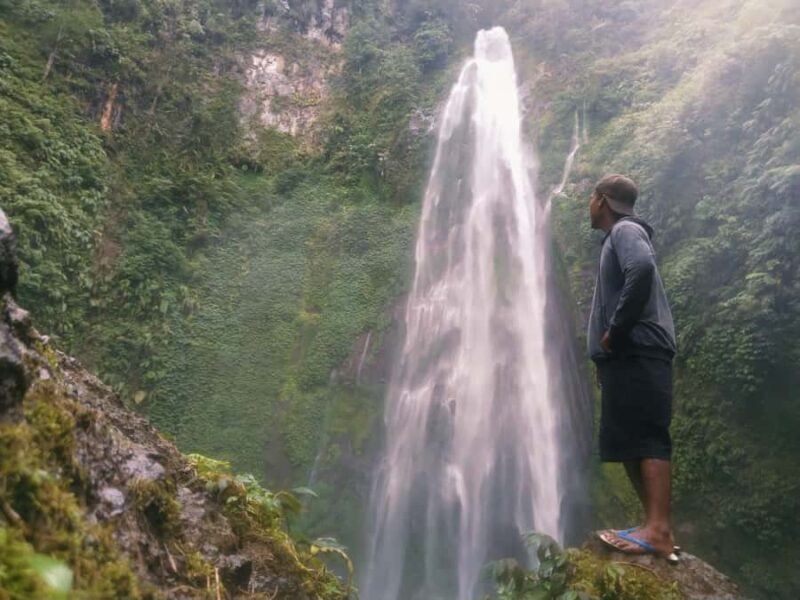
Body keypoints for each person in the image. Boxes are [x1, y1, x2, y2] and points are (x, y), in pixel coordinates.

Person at [586, 174, 679, 564]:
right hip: (626, 357)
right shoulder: (617, 237)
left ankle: (657, 529)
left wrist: (615, 331)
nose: (589, 204)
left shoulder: (625, 231)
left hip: (638, 348)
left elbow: (640, 269)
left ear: (603, 200)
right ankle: (654, 527)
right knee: (628, 441)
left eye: (592, 197)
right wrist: (605, 356)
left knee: (645, 436)